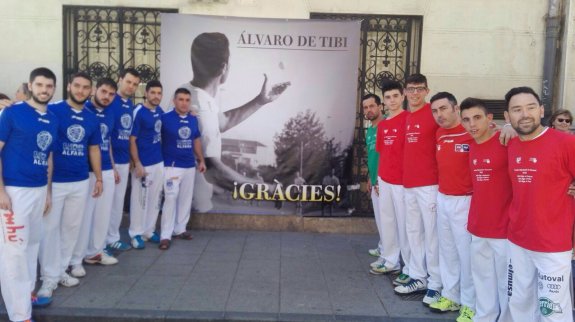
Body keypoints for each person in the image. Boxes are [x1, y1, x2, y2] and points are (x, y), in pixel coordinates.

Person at [180, 32, 290, 212]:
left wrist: (260, 101)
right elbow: (214, 173)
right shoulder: (200, 108)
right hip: (190, 214)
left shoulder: (190, 92)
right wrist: (269, 190)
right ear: (224, 67)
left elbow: (222, 122)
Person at [504, 86, 575, 322]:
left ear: (542, 110)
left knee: (552, 310)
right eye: (517, 109)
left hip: (553, 245)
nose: (524, 114)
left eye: (530, 107)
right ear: (508, 116)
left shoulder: (565, 143)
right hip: (518, 240)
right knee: (520, 304)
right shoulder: (510, 144)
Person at [36, 72, 103, 301]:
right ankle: (48, 278)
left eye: (86, 87)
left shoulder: (92, 118)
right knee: (49, 229)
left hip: (80, 180)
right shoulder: (53, 110)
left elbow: (93, 149)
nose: (81, 91)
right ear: (68, 87)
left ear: (90, 91)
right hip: (55, 182)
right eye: (77, 86)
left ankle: (61, 269)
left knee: (71, 228)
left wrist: (99, 178)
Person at [0, 67, 59, 321]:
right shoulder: (12, 113)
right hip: (15, 191)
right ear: (30, 86)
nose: (44, 90)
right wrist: (1, 190)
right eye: (39, 85)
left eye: (48, 86)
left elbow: (48, 158)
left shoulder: (53, 118)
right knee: (14, 252)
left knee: (32, 245)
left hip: (38, 191)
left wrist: (47, 192)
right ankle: (19, 314)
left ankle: (28, 293)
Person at [460, 97, 511, 322]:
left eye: (477, 118)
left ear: (490, 118)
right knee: (482, 280)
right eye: (467, 120)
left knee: (506, 285)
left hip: (505, 230)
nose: (472, 124)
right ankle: (484, 317)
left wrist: (511, 127)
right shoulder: (471, 147)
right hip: (478, 227)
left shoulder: (507, 141)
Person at [393, 74, 442, 306]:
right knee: (413, 232)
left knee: (432, 236)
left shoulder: (434, 113)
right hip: (409, 185)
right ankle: (418, 276)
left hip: (429, 185)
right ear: (405, 92)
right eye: (410, 89)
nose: (414, 93)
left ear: (426, 91)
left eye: (419, 89)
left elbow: (460, 126)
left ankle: (435, 284)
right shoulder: (408, 116)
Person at [427, 92, 475, 322]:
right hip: (443, 197)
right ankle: (451, 295)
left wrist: (507, 126)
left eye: (443, 109)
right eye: (435, 111)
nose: (439, 115)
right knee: (447, 252)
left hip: (466, 201)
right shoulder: (438, 133)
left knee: (467, 255)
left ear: (456, 109)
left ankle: (470, 304)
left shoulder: (472, 133)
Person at [69, 77, 120, 279]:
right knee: (83, 218)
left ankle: (94, 253)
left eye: (111, 94)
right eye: (104, 92)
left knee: (102, 216)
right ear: (95, 90)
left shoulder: (110, 113)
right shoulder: (84, 110)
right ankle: (75, 259)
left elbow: (107, 142)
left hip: (106, 170)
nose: (107, 97)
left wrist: (114, 167)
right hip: (87, 173)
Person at [371, 82, 411, 288]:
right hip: (385, 180)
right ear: (384, 101)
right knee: (387, 221)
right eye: (388, 97)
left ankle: (409, 266)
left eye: (395, 96)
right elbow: (382, 154)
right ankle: (390, 260)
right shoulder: (383, 124)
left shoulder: (409, 120)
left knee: (405, 225)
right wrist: (378, 179)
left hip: (403, 182)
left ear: (402, 96)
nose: (392, 100)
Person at [159, 88, 206, 250]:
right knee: (171, 198)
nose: (184, 103)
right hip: (171, 166)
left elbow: (196, 139)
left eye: (187, 100)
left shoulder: (193, 119)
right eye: (181, 99)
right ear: (174, 101)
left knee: (185, 199)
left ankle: (180, 229)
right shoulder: (164, 118)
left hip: (189, 166)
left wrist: (201, 160)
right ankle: (165, 235)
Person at [106, 68, 141, 252]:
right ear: (120, 80)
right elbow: (106, 137)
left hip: (123, 162)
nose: (131, 86)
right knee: (105, 204)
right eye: (128, 82)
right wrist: (111, 165)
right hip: (108, 163)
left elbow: (129, 137)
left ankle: (112, 237)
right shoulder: (111, 102)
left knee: (118, 202)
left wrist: (130, 160)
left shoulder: (130, 105)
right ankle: (100, 242)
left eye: (135, 84)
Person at [129, 80, 164, 249]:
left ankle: (149, 230)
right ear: (146, 93)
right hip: (143, 164)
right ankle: (135, 233)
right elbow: (132, 139)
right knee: (139, 199)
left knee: (155, 198)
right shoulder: (139, 112)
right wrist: (137, 163)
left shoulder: (160, 111)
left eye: (159, 93)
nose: (156, 96)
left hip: (158, 162)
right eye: (153, 93)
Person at [362, 93, 385, 260]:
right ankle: (383, 246)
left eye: (372, 106)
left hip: (385, 182)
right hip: (375, 180)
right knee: (380, 219)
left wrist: (381, 180)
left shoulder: (386, 127)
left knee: (388, 221)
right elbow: (372, 157)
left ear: (380, 107)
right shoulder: (370, 130)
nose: (369, 110)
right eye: (365, 107)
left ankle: (388, 255)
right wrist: (371, 177)